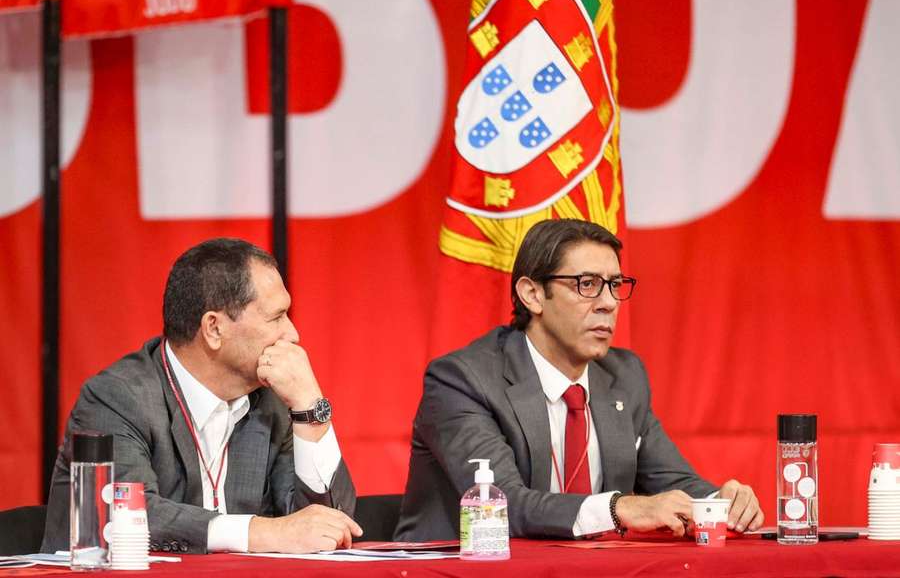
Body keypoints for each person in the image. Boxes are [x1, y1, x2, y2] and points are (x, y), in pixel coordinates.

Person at [394, 219, 763, 541]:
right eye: (587, 284)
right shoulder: (464, 380)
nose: (609, 303)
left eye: (615, 285)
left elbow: (673, 482)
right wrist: (620, 509)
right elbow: (504, 504)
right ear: (533, 294)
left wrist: (719, 502)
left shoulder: (624, 376)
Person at [42, 238, 361, 554]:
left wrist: (309, 407)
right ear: (214, 328)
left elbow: (329, 528)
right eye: (277, 317)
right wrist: (260, 532)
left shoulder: (271, 399)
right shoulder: (117, 398)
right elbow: (122, 514)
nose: (292, 334)